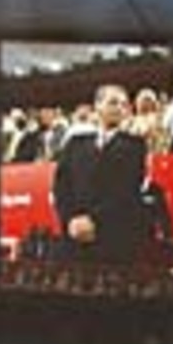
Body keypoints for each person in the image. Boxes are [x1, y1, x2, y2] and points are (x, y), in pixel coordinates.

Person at [53, 84, 149, 264]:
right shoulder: (75, 144)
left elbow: (127, 190)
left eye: (124, 104)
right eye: (113, 103)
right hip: (73, 237)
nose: (119, 109)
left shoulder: (135, 146)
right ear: (97, 105)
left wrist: (94, 221)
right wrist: (70, 221)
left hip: (113, 236)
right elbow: (61, 186)